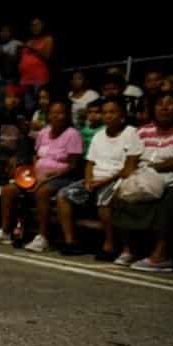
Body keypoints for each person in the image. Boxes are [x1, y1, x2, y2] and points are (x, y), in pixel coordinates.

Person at [0, 100, 82, 251]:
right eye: (53, 113)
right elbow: (36, 156)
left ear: (67, 115)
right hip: (37, 174)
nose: (56, 116)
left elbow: (73, 165)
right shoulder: (43, 132)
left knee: (42, 192)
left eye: (60, 113)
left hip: (61, 177)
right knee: (9, 190)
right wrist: (35, 173)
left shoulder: (72, 134)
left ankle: (42, 237)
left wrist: (48, 176)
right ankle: (5, 232)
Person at [56, 97, 142, 259]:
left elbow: (129, 168)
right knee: (64, 195)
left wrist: (103, 181)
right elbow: (90, 163)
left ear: (122, 114)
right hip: (95, 179)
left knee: (104, 200)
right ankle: (70, 241)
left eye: (112, 112)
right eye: (105, 113)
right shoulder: (99, 135)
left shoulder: (131, 133)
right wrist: (89, 180)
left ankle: (110, 245)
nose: (108, 116)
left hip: (118, 179)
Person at [113, 92, 173, 272]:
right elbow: (131, 160)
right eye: (159, 104)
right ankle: (128, 250)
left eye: (170, 104)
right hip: (143, 178)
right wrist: (128, 178)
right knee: (119, 194)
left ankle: (161, 256)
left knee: (171, 199)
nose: (164, 108)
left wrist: (156, 167)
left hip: (172, 180)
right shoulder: (141, 131)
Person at [19, 17, 54, 105]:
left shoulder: (47, 39)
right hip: (25, 80)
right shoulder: (29, 41)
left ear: (42, 26)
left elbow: (47, 56)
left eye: (36, 25)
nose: (34, 27)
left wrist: (32, 48)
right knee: (28, 107)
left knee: (40, 105)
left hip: (39, 79)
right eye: (32, 25)